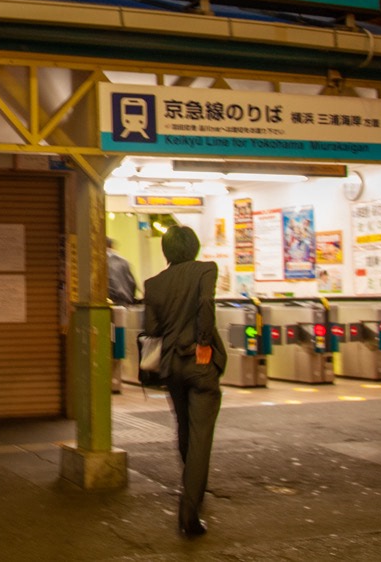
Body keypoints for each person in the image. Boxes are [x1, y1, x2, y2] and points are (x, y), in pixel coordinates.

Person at [141, 225, 226, 537]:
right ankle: (189, 514)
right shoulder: (206, 270)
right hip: (199, 362)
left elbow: (151, 328)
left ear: (166, 251)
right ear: (194, 247)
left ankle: (193, 487)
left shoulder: (154, 284)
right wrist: (204, 341)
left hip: (171, 366)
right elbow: (206, 303)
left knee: (185, 430)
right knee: (201, 437)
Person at [106, 238, 136, 305]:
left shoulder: (102, 260)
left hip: (112, 302)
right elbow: (132, 283)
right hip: (127, 302)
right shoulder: (124, 262)